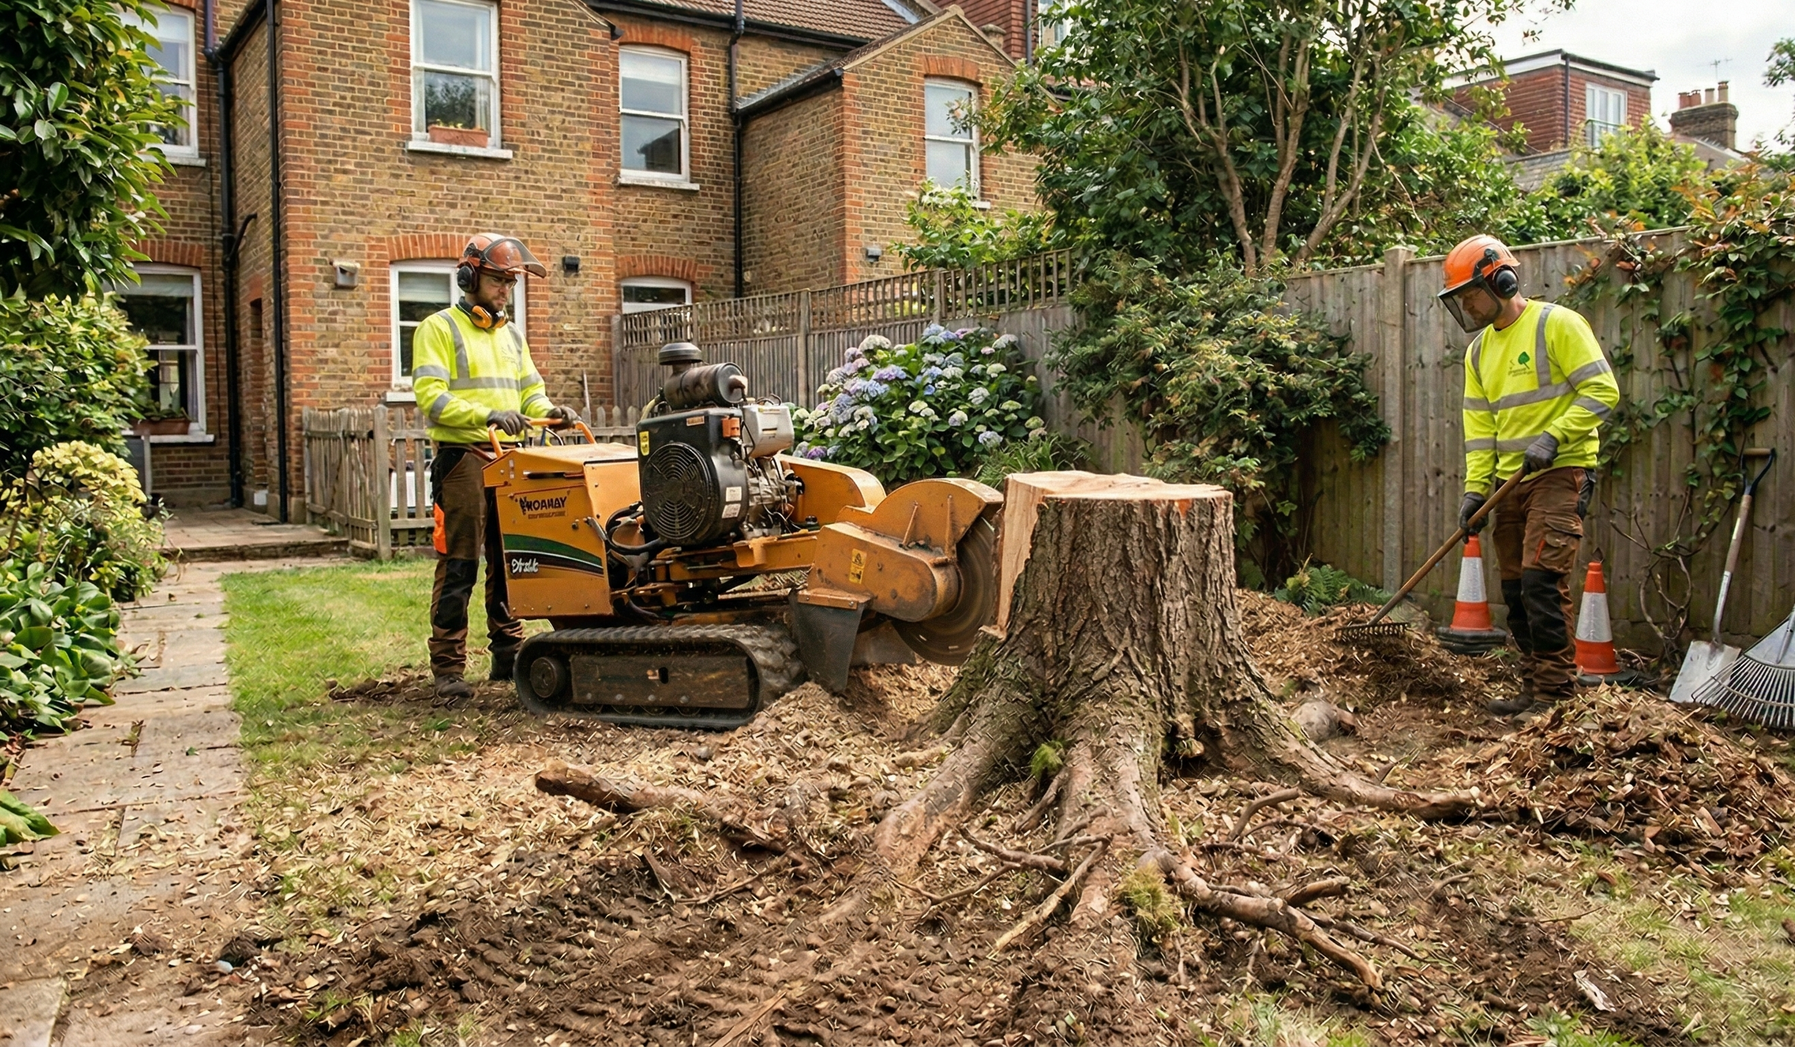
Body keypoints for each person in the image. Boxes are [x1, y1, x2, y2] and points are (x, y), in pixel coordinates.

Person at [1442, 235, 1620, 716]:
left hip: (1559, 473)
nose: (1467, 305)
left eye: (1470, 294)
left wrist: (1555, 436)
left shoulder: (1555, 325)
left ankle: (1556, 696)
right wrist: (1475, 492)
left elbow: (1603, 390)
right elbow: (1480, 432)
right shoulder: (1478, 353)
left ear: (1501, 280)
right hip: (1508, 485)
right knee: (1517, 590)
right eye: (1459, 299)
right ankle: (1531, 687)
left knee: (1543, 580)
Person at [412, 233, 581, 702]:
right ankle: (447, 667)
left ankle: (508, 653)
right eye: (498, 279)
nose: (506, 289)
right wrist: (484, 414)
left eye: (511, 282)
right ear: (470, 277)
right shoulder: (438, 328)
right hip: (463, 456)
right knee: (461, 562)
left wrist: (552, 409)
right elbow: (431, 397)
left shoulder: (511, 335)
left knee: (511, 560)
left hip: (508, 458)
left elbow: (531, 391)